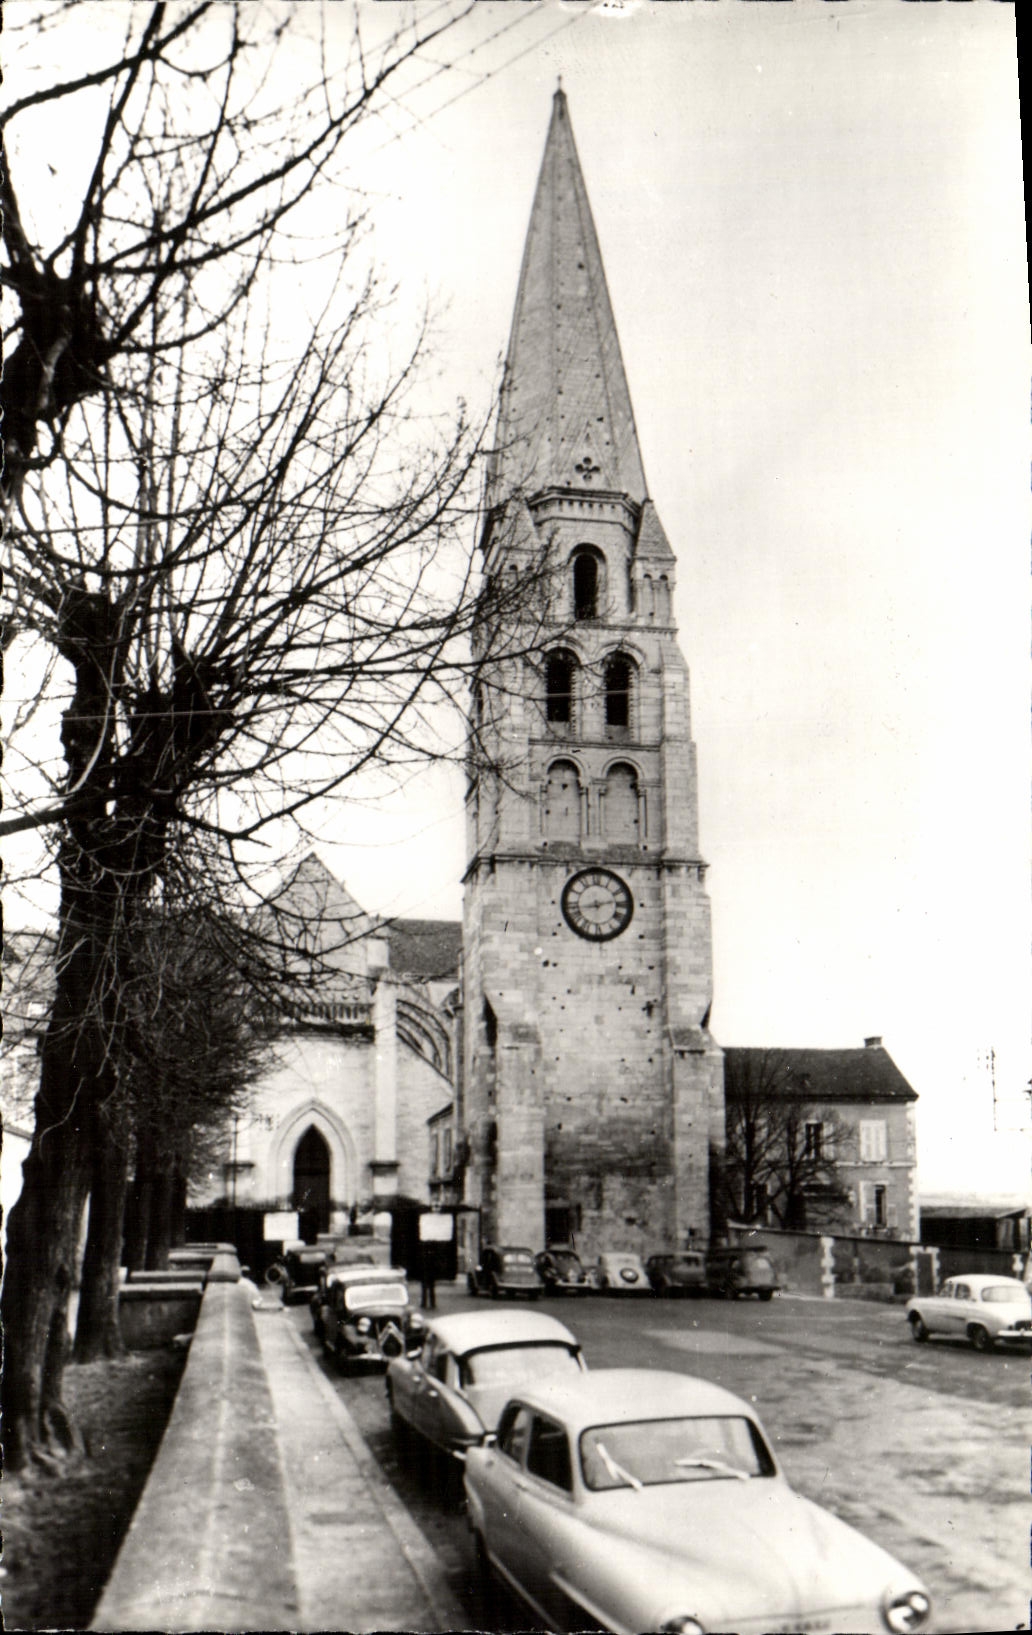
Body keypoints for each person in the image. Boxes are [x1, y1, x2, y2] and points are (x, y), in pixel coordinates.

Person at [420, 1244, 437, 1310]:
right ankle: (432, 1303)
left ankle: (424, 1303)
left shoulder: (423, 1257)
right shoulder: (432, 1258)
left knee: (424, 1291)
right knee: (431, 1290)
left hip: (425, 1276)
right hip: (431, 1276)